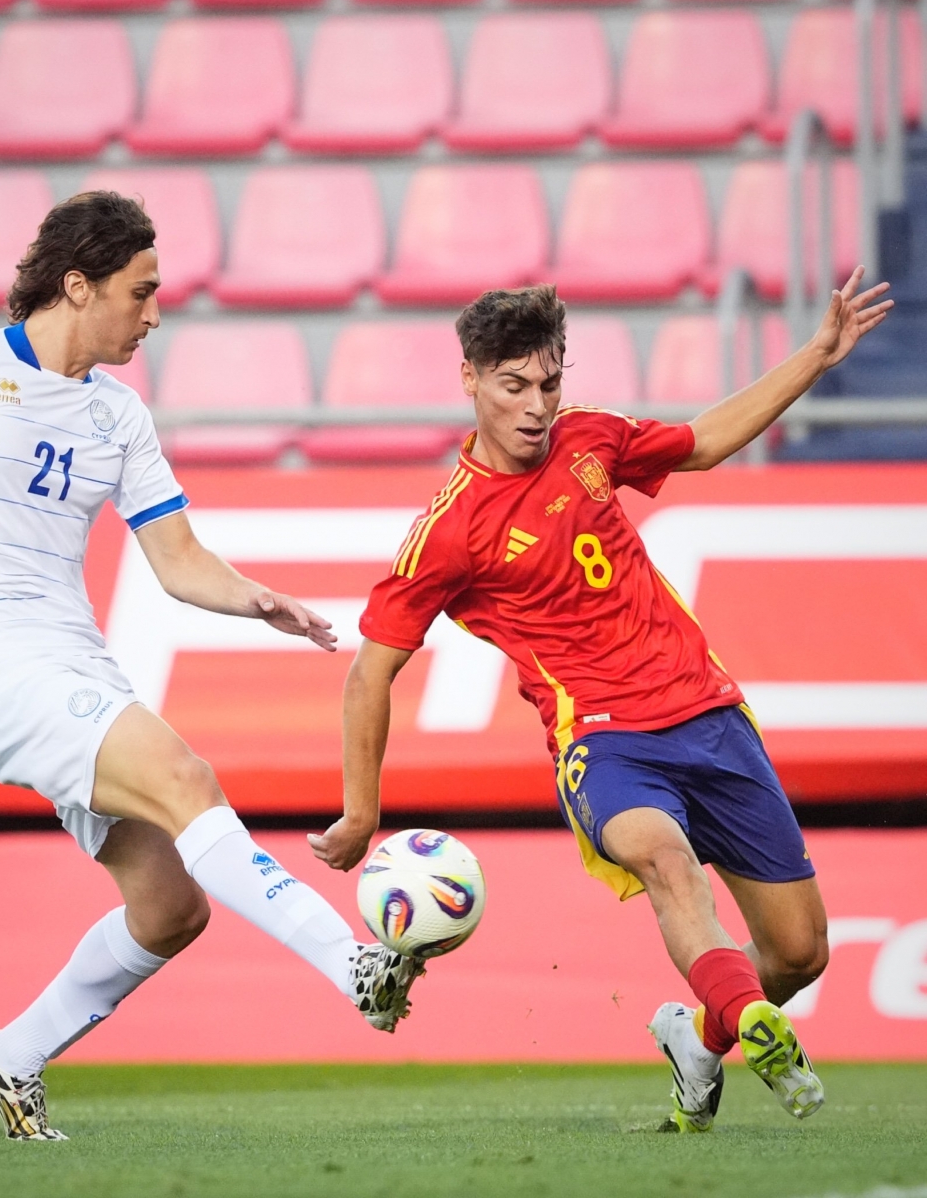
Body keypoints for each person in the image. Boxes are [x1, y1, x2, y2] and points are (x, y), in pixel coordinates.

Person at [0, 191, 426, 1142]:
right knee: (188, 777)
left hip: (71, 659)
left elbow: (179, 560)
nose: (154, 313)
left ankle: (12, 1057)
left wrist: (255, 597)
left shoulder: (120, 416)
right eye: (141, 292)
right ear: (78, 284)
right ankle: (350, 963)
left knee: (171, 908)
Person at [309, 272, 893, 1132]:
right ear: (469, 379)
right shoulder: (450, 530)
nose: (536, 406)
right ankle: (752, 1022)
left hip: (709, 713)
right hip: (606, 742)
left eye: (550, 383)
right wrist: (363, 812)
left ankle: (701, 1034)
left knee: (800, 952)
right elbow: (371, 673)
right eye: (514, 386)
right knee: (666, 861)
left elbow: (702, 442)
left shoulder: (592, 440)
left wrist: (814, 354)